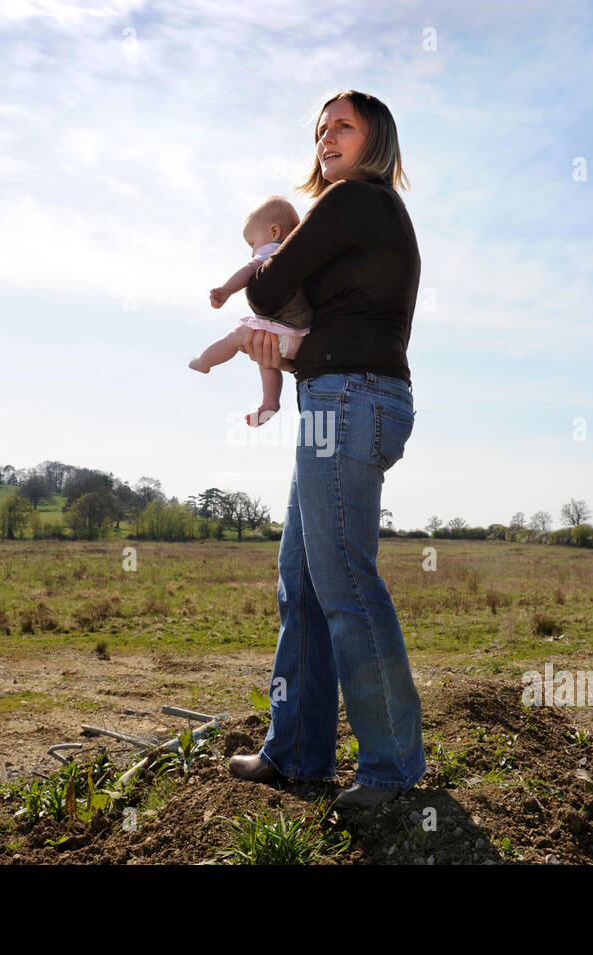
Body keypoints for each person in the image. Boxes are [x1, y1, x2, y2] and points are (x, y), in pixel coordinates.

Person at [227, 90, 425, 811]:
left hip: (349, 399)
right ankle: (298, 752)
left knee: (342, 582)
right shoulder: (362, 216)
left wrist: (263, 264)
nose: (326, 136)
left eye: (342, 124)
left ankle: (393, 768)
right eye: (319, 128)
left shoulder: (353, 201)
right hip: (335, 399)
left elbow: (272, 286)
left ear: (376, 137)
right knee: (301, 582)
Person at [188, 196, 313, 427]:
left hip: (283, 332)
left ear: (274, 231)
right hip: (300, 339)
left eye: (252, 243)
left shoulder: (274, 251)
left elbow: (249, 269)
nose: (252, 252)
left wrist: (226, 290)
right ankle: (269, 403)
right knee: (266, 358)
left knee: (237, 336)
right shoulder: (301, 258)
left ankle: (204, 362)